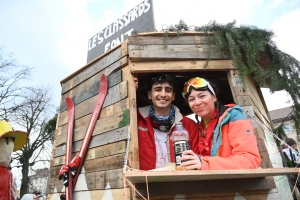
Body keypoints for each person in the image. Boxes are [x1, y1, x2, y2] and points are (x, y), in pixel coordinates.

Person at [179, 77, 261, 170]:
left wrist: (206, 164)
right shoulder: (199, 127)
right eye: (191, 99)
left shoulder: (233, 117)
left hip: (237, 183)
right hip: (213, 183)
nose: (197, 102)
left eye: (202, 96)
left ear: (214, 97)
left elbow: (250, 160)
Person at [137, 73, 200, 170]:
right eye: (158, 89)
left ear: (173, 96)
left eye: (168, 90)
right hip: (145, 182)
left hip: (179, 182)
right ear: (149, 95)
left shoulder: (189, 125)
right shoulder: (136, 120)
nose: (163, 94)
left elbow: (197, 159)